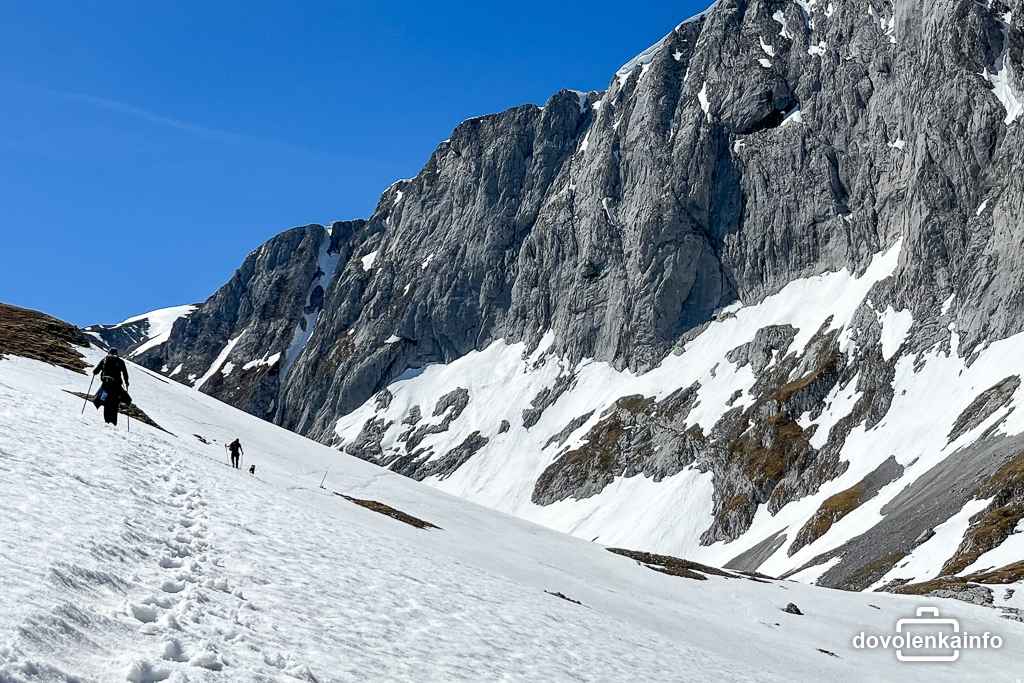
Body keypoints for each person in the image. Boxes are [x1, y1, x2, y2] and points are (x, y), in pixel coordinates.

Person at [92, 349, 130, 426]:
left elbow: (96, 371)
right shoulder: (120, 361)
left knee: (106, 402)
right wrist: (126, 382)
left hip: (105, 385)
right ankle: (113, 422)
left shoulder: (104, 360)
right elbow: (125, 373)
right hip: (116, 386)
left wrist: (95, 372)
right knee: (114, 404)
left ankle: (107, 421)